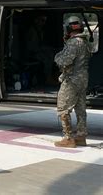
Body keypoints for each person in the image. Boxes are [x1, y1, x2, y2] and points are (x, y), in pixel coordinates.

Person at [54, 16, 91, 148]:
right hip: (83, 79)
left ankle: (68, 138)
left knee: (63, 106)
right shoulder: (85, 42)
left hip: (72, 79)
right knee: (80, 108)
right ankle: (81, 136)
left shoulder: (73, 42)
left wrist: (57, 57)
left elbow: (65, 61)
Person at [24, 14, 55, 86]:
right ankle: (48, 78)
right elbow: (31, 46)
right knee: (47, 59)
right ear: (36, 21)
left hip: (37, 51)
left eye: (44, 21)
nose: (43, 23)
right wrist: (43, 49)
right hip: (31, 53)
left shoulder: (40, 30)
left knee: (51, 52)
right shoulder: (32, 31)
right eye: (42, 20)